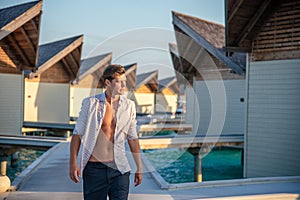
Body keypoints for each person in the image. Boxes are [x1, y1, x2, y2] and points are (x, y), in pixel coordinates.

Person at [69, 64, 143, 200]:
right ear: (108, 82)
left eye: (124, 81)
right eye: (119, 82)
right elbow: (77, 134)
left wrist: (139, 167)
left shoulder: (129, 106)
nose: (123, 85)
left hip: (119, 169)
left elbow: (132, 138)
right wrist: (73, 162)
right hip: (95, 169)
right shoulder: (90, 103)